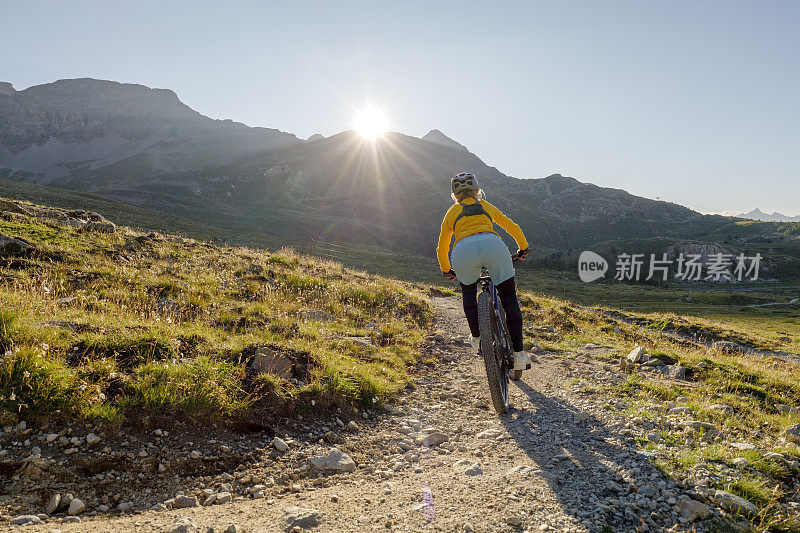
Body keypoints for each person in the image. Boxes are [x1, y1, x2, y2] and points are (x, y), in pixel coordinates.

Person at [436, 172, 532, 371]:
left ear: (455, 195)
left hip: (463, 251)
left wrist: (447, 270)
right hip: (493, 246)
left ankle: (476, 337)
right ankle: (519, 355)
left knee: (468, 293)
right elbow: (512, 227)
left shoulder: (452, 212)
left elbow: (442, 247)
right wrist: (523, 248)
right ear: (476, 190)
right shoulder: (486, 207)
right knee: (509, 297)